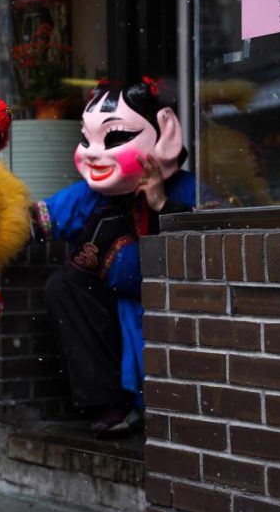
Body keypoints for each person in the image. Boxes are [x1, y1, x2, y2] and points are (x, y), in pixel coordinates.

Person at [30, 77, 196, 438]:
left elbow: (210, 245)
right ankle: (112, 401)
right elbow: (33, 222)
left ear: (165, 132)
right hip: (108, 309)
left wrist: (162, 207)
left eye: (115, 137)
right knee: (64, 283)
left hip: (165, 308)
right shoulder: (87, 196)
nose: (94, 152)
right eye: (86, 139)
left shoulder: (187, 189)